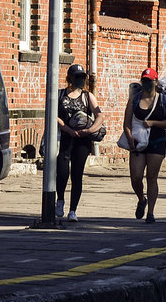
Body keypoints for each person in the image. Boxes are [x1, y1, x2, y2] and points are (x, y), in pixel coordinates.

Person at [124, 67, 166, 224]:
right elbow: (126, 122)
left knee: (152, 177)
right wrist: (129, 136)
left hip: (157, 142)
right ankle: (141, 199)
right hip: (138, 143)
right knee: (136, 177)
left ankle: (151, 213)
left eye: (149, 81)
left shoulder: (163, 100)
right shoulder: (135, 99)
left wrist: (152, 123)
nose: (146, 84)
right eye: (143, 81)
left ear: (156, 82)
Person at [56, 63, 104, 221]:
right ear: (70, 78)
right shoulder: (60, 94)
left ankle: (73, 210)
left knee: (77, 174)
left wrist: (90, 131)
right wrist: (68, 130)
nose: (80, 80)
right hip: (66, 138)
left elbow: (100, 115)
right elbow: (53, 115)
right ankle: (60, 199)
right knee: (62, 172)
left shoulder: (87, 96)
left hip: (82, 141)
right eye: (77, 77)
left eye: (82, 77)